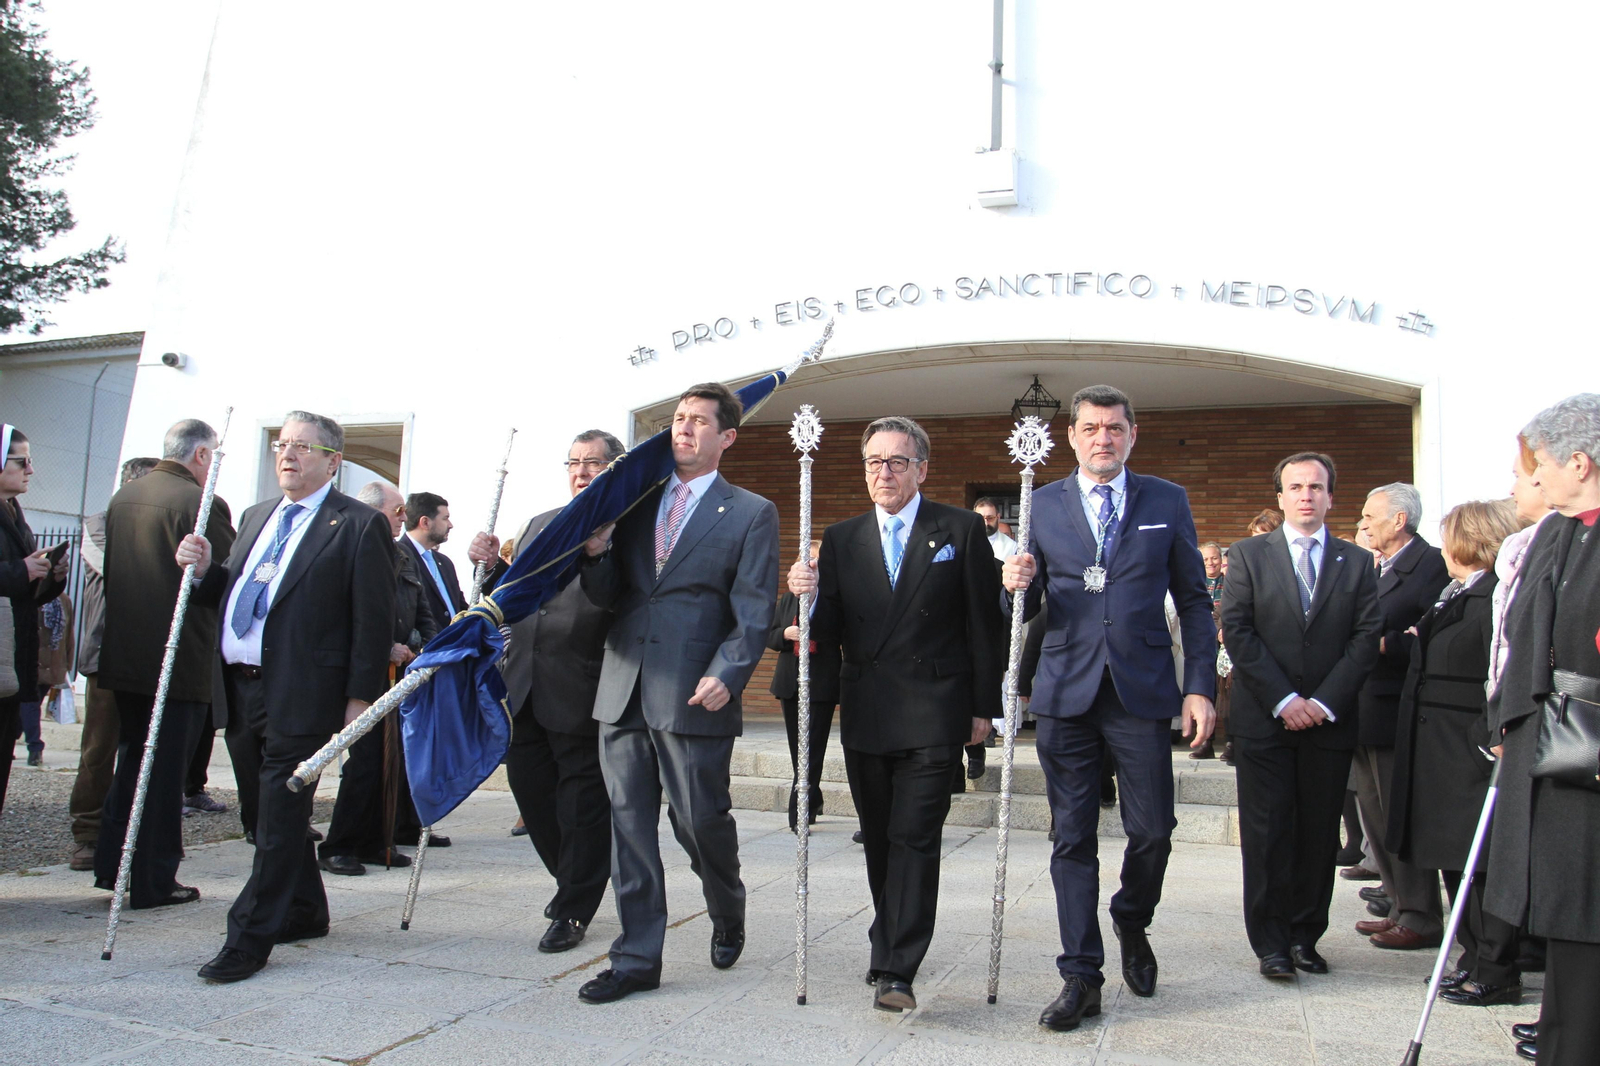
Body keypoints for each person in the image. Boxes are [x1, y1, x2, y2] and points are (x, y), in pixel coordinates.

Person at [1000, 385, 1215, 1030]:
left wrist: (1199, 684)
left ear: (1132, 433)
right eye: (1090, 428)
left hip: (1141, 690)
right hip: (1065, 690)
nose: (1102, 438)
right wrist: (1015, 582)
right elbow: (1026, 610)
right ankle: (1080, 974)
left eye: (1114, 428)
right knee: (1072, 838)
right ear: (1072, 437)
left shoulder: (1165, 500)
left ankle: (1130, 917)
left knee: (1152, 830)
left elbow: (1196, 601)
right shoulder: (1040, 502)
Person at [574, 383, 779, 1004]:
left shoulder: (749, 511)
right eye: (677, 420)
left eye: (697, 422)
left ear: (726, 437)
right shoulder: (634, 502)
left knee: (698, 821)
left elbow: (754, 608)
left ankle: (727, 902)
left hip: (695, 692)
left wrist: (730, 671)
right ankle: (636, 958)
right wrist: (598, 550)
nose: (683, 430)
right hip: (623, 685)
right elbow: (607, 596)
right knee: (629, 827)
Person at [791, 415, 1002, 1012]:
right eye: (874, 462)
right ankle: (889, 934)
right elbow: (825, 631)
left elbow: (985, 625)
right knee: (882, 840)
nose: (884, 472)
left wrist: (984, 709)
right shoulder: (841, 537)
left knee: (914, 836)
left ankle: (896, 967)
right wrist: (802, 595)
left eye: (897, 461)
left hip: (935, 710)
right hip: (868, 711)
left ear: (922, 469)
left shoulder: (957, 529)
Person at [176, 410, 395, 983]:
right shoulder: (255, 516)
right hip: (244, 687)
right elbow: (237, 593)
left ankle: (249, 936)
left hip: (306, 691)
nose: (287, 454)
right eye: (281, 443)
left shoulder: (356, 525)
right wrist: (203, 573)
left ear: (332, 461)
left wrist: (358, 701)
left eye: (302, 446)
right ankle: (304, 908)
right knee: (265, 812)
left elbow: (371, 620)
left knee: (276, 814)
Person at [1220, 451, 1380, 979]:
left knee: (1317, 834)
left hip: (1329, 723)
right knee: (1267, 834)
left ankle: (1305, 936)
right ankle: (1269, 943)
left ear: (1331, 496)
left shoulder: (1355, 561)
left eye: (1316, 487)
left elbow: (1364, 638)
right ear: (1281, 497)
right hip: (1266, 721)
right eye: (1296, 487)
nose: (1306, 495)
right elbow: (1238, 632)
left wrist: (1323, 702)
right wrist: (1286, 700)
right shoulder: (1247, 555)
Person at [468, 428, 622, 954]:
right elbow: (511, 598)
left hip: (583, 681)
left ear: (615, 471)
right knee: (532, 794)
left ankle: (574, 905)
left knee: (581, 801)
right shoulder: (538, 524)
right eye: (575, 462)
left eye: (594, 464)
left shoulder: (631, 528)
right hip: (523, 680)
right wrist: (490, 570)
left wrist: (599, 553)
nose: (581, 472)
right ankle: (578, 878)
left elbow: (614, 599)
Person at [1484, 394, 1600, 1065]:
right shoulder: (1559, 529)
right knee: (1562, 914)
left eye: (1544, 464)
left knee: (1585, 910)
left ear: (1579, 462)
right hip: (1546, 746)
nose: (1534, 477)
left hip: (1586, 747)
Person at [1385, 498, 1524, 1007]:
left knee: (1478, 859)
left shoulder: (1496, 596)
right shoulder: (1454, 591)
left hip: (1467, 743)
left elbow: (1504, 669)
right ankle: (1472, 954)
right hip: (1436, 742)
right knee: (1451, 854)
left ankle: (1496, 964)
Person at [93, 420, 238, 909]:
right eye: (214, 457)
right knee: (163, 774)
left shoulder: (124, 498)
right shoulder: (200, 504)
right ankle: (154, 879)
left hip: (127, 655)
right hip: (176, 661)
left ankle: (115, 868)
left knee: (133, 762)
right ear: (200, 455)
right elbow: (227, 581)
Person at [318, 480, 438, 876]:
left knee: (390, 761)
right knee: (364, 763)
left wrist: (426, 649)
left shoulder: (401, 555)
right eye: (396, 510)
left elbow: (418, 607)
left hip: (400, 676)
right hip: (365, 674)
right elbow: (343, 612)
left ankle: (375, 840)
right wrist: (384, 645)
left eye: (404, 510)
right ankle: (340, 845)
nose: (403, 518)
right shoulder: (347, 546)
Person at [1351, 483, 1450, 950]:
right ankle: (1396, 903)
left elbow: (1430, 635)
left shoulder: (1429, 565)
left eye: (1371, 516)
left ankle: (1419, 912)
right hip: (1364, 705)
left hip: (1396, 707)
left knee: (1397, 813)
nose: (1364, 523)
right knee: (1373, 812)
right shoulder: (1378, 566)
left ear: (1399, 520)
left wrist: (1388, 642)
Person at [67, 457, 159, 871]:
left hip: (147, 653)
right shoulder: (97, 526)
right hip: (106, 654)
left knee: (143, 747)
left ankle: (129, 832)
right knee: (99, 750)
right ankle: (87, 833)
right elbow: (122, 569)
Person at [1, 425, 71, 817]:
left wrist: (51, 574)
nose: (30, 470)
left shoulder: (14, 511)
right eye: (21, 461)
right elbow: (12, 576)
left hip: (12, 660)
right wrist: (18, 570)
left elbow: (27, 595)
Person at [766, 538, 840, 831]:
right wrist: (786, 633)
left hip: (820, 683)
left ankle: (800, 810)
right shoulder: (786, 600)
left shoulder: (833, 598)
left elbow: (836, 633)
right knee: (798, 749)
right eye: (805, 560)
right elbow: (768, 636)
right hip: (790, 683)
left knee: (813, 747)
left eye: (817, 562)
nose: (810, 566)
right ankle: (813, 795)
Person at [401, 492, 467, 624]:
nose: (450, 525)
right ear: (425, 522)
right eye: (445, 518)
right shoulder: (399, 558)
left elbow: (460, 607)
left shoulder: (445, 563)